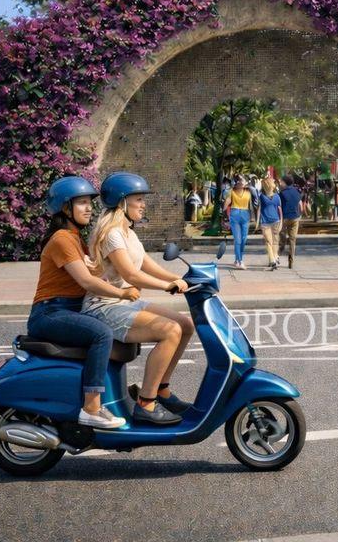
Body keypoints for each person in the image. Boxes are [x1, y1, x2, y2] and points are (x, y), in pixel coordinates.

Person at [83, 172, 195, 425]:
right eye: (139, 199)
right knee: (170, 331)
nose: (143, 205)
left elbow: (147, 265)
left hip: (124, 304)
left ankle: (162, 389)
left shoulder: (128, 233)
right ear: (122, 202)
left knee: (186, 325)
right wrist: (168, 286)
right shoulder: (112, 234)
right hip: (104, 307)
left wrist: (184, 278)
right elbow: (131, 274)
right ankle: (146, 402)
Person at [29, 176, 136, 430]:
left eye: (90, 203)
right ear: (65, 208)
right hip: (50, 312)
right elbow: (87, 281)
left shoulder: (75, 238)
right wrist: (120, 294)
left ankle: (113, 396)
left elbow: (96, 273)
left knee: (125, 331)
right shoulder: (62, 239)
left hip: (70, 309)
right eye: (82, 203)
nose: (89, 208)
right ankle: (91, 408)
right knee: (101, 334)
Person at [222, 175, 252, 269]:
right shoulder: (231, 192)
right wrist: (224, 216)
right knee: (238, 239)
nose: (242, 182)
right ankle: (240, 260)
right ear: (236, 182)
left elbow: (253, 204)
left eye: (243, 180)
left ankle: (237, 259)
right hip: (235, 215)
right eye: (240, 180)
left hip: (245, 215)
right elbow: (227, 202)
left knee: (244, 239)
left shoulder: (249, 192)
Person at [258, 175, 283, 271]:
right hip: (272, 221)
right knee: (272, 241)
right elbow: (279, 210)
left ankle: (273, 259)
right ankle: (274, 258)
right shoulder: (276, 196)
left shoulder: (263, 197)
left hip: (269, 222)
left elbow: (279, 209)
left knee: (270, 242)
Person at [278, 174, 303, 269]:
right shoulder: (296, 192)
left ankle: (278, 254)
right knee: (293, 240)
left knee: (282, 238)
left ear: (285, 183)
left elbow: (278, 206)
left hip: (284, 219)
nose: (280, 183)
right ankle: (291, 262)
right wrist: (300, 215)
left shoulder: (282, 193)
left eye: (281, 182)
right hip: (295, 218)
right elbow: (300, 205)